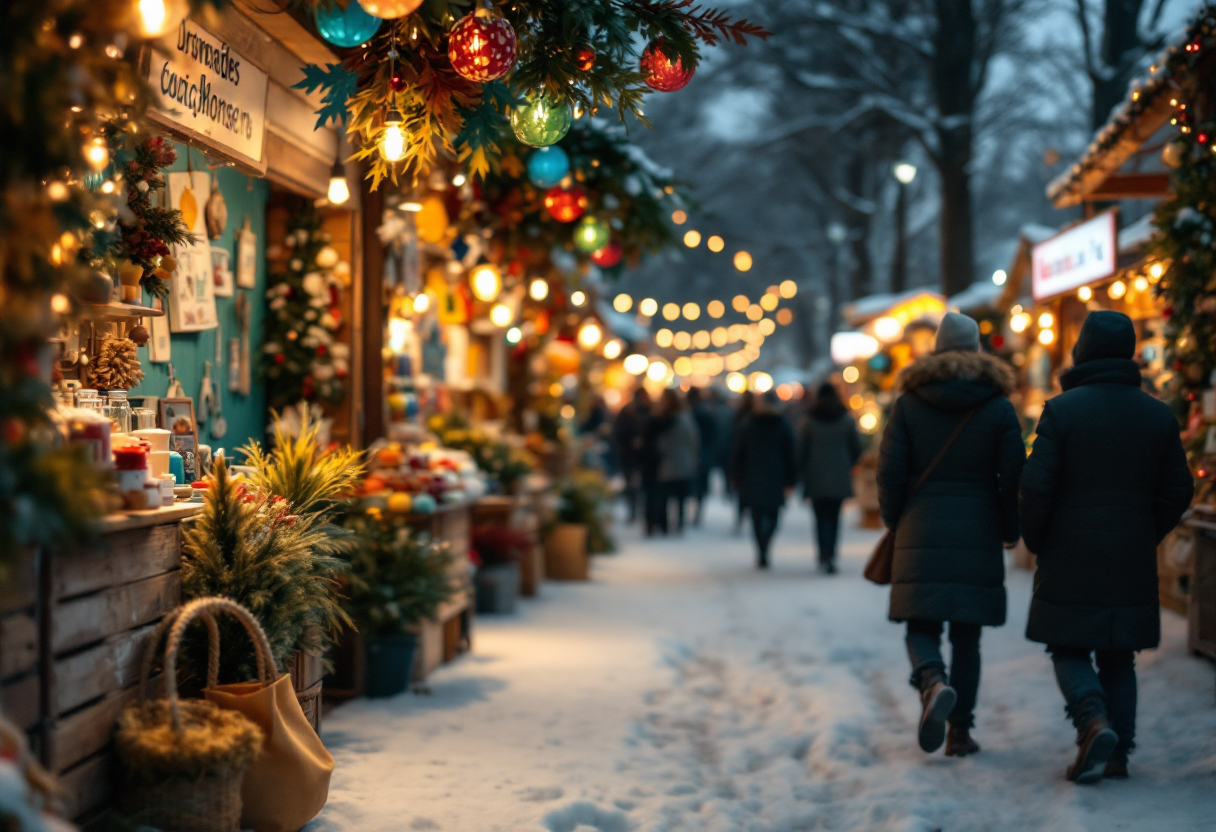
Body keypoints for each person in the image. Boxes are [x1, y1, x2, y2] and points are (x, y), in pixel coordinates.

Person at [1019, 311, 1192, 784]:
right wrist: (1144, 530)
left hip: (1069, 550)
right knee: (1119, 655)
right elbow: (1179, 489)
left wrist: (1039, 538)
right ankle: (1118, 755)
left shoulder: (1063, 410)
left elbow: (1035, 487)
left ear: (1084, 350)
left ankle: (1092, 721)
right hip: (1130, 554)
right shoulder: (1157, 414)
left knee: (1068, 645)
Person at [877, 311, 1024, 758]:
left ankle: (931, 680)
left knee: (918, 621)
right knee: (967, 636)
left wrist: (894, 517)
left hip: (920, 525)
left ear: (936, 349)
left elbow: (890, 471)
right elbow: (1013, 475)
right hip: (977, 529)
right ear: (978, 349)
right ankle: (960, 732)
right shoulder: (998, 406)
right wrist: (1009, 528)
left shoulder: (908, 403)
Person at [797, 382, 861, 573]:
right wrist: (847, 464)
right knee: (834, 517)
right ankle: (831, 554)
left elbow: (802, 450)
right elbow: (856, 448)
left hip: (816, 474)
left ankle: (823, 553)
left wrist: (801, 471)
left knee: (820, 517)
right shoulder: (846, 419)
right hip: (839, 474)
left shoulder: (809, 420)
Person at [730, 390, 797, 568]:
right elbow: (790, 453)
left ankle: (761, 548)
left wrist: (737, 476)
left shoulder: (748, 424)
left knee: (757, 515)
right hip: (776, 475)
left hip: (754, 475)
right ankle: (766, 543)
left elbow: (738, 453)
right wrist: (791, 479)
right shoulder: (782, 424)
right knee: (774, 514)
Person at [655, 389, 700, 534]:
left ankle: (665, 525)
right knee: (680, 496)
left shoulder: (660, 418)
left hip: (666, 462)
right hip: (682, 461)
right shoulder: (685, 418)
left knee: (666, 496)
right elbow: (694, 440)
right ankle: (679, 523)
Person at [611, 388, 650, 523]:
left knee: (642, 487)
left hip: (645, 457)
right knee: (631, 486)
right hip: (629, 456)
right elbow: (617, 433)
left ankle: (643, 512)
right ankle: (633, 511)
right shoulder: (627, 412)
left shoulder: (650, 411)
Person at [687, 387, 720, 525]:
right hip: (703, 455)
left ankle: (694, 513)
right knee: (700, 486)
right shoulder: (705, 413)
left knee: (693, 485)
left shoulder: (689, 414)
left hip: (694, 455)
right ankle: (697, 512)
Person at [729, 391, 756, 535]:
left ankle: (741, 517)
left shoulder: (739, 417)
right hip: (754, 460)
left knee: (742, 494)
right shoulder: (754, 416)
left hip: (744, 460)